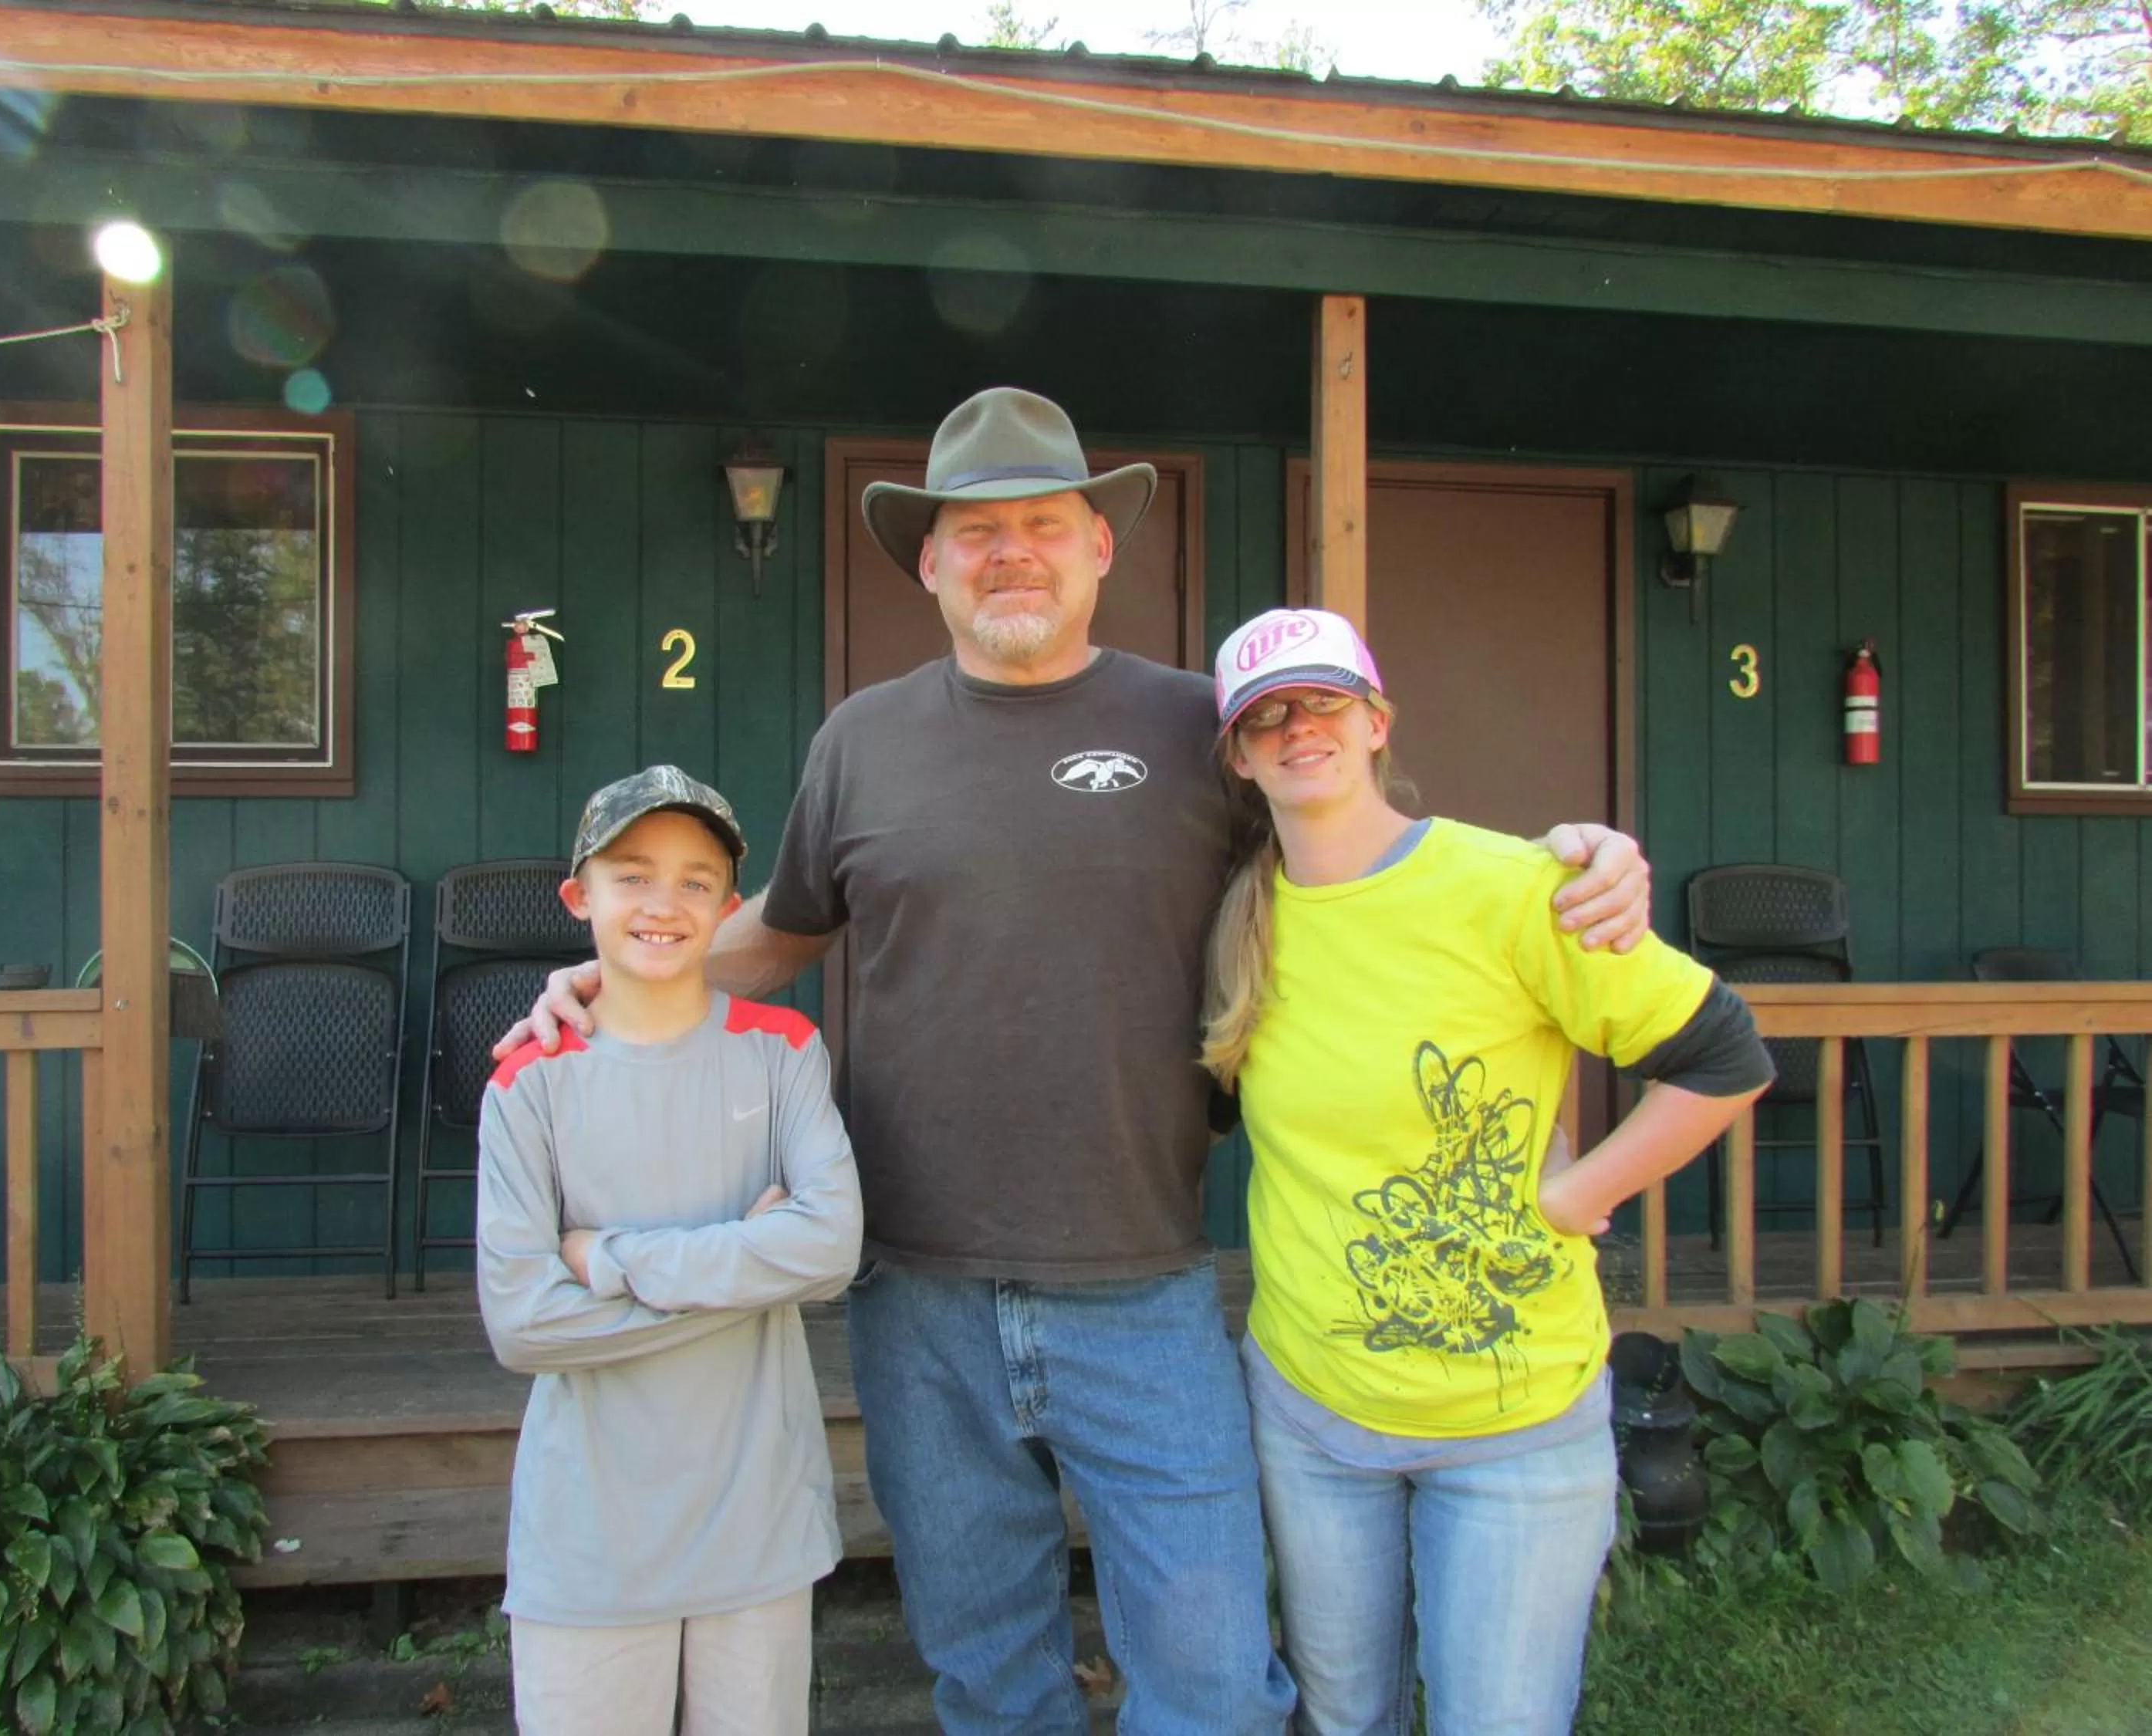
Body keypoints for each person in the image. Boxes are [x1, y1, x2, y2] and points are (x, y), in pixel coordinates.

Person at [499, 388, 1655, 1735]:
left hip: (1144, 1286)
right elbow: (785, 934)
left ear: (1102, 548)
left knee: (1214, 1681)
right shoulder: (863, 741)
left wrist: (1569, 855)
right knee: (989, 1674)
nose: (1012, 555)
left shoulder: (1196, 730)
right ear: (927, 561)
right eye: (976, 532)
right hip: (915, 1293)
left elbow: (1375, 857)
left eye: (1044, 524)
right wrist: (625, 973)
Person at [1201, 608, 1772, 1736]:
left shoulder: (1512, 886)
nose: (1295, 727)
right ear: (1238, 753)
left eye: (1321, 701)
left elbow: (1724, 1057)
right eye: (1264, 716)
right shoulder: (1231, 920)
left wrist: (1581, 1190)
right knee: (1345, 1715)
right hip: (1315, 1417)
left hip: (1515, 1423)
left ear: (1376, 721)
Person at [476, 765, 863, 1736]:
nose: (664, 903)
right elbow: (524, 1324)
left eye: (696, 881)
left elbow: (830, 1246)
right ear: (581, 896)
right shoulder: (532, 1082)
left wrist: (610, 1260)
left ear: (729, 907)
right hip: (591, 1538)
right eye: (632, 874)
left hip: (757, 1521)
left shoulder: (782, 1051)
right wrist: (750, 1264)